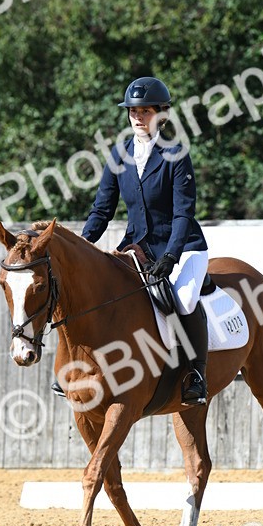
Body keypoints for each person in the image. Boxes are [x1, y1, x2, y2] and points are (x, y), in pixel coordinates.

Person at [81, 76, 209, 406]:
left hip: (183, 247)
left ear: (161, 114)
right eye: (133, 111)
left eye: (146, 110)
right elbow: (102, 207)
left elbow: (183, 213)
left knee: (182, 300)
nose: (138, 117)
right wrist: (82, 244)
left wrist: (171, 255)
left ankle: (196, 373)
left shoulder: (176, 154)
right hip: (136, 248)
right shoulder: (118, 153)